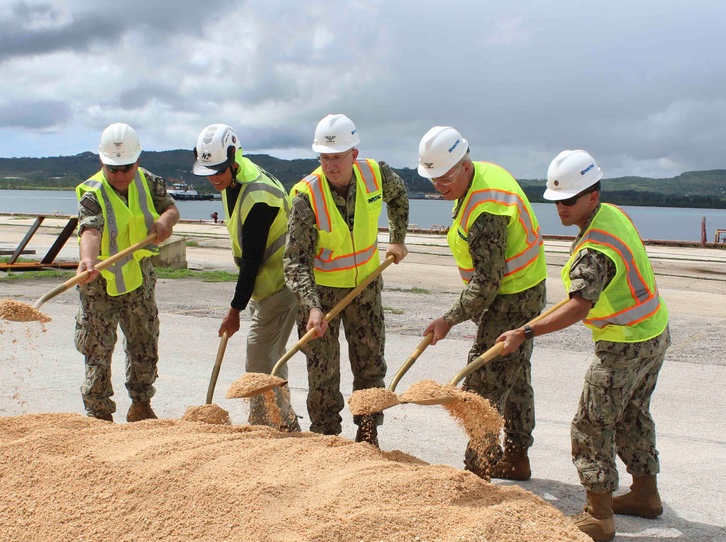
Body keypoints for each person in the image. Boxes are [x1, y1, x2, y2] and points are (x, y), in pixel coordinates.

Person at [495, 150, 670, 542]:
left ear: (593, 195)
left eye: (569, 200)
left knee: (591, 423)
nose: (561, 208)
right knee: (633, 414)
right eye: (556, 201)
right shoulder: (613, 215)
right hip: (653, 332)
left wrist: (525, 332)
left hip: (624, 344)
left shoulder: (594, 248)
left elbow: (578, 306)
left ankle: (599, 515)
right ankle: (645, 494)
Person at [417, 126, 547, 480]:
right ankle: (517, 459)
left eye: (445, 178)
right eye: (433, 180)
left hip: (512, 297)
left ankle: (478, 471)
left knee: (482, 386)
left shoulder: (487, 208)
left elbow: (487, 284)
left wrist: (448, 318)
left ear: (464, 164)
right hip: (520, 289)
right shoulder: (480, 178)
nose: (440, 187)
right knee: (515, 375)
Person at [284, 113, 409, 446]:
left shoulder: (375, 175)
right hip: (321, 294)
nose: (330, 165)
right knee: (322, 370)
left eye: (337, 157)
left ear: (354, 154)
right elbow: (294, 261)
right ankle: (326, 438)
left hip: (365, 287)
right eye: (324, 158)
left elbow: (399, 197)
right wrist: (311, 307)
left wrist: (397, 237)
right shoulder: (305, 196)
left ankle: (368, 433)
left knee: (370, 364)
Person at [192, 123, 301, 431]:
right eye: (208, 172)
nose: (214, 178)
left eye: (219, 171)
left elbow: (252, 260)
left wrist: (234, 310)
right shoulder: (236, 180)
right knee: (270, 355)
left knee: (258, 360)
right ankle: (279, 422)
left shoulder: (258, 197)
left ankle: (270, 424)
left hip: (280, 285)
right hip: (266, 286)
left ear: (234, 158)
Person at [74, 122, 180, 422]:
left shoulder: (149, 181)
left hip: (138, 278)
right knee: (97, 349)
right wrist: (87, 261)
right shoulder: (92, 191)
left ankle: (141, 405)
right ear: (102, 161)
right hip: (100, 282)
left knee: (144, 343)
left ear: (138, 160)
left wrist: (165, 222)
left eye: (126, 168)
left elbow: (171, 209)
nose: (119, 175)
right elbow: (90, 229)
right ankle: (99, 413)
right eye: (112, 168)